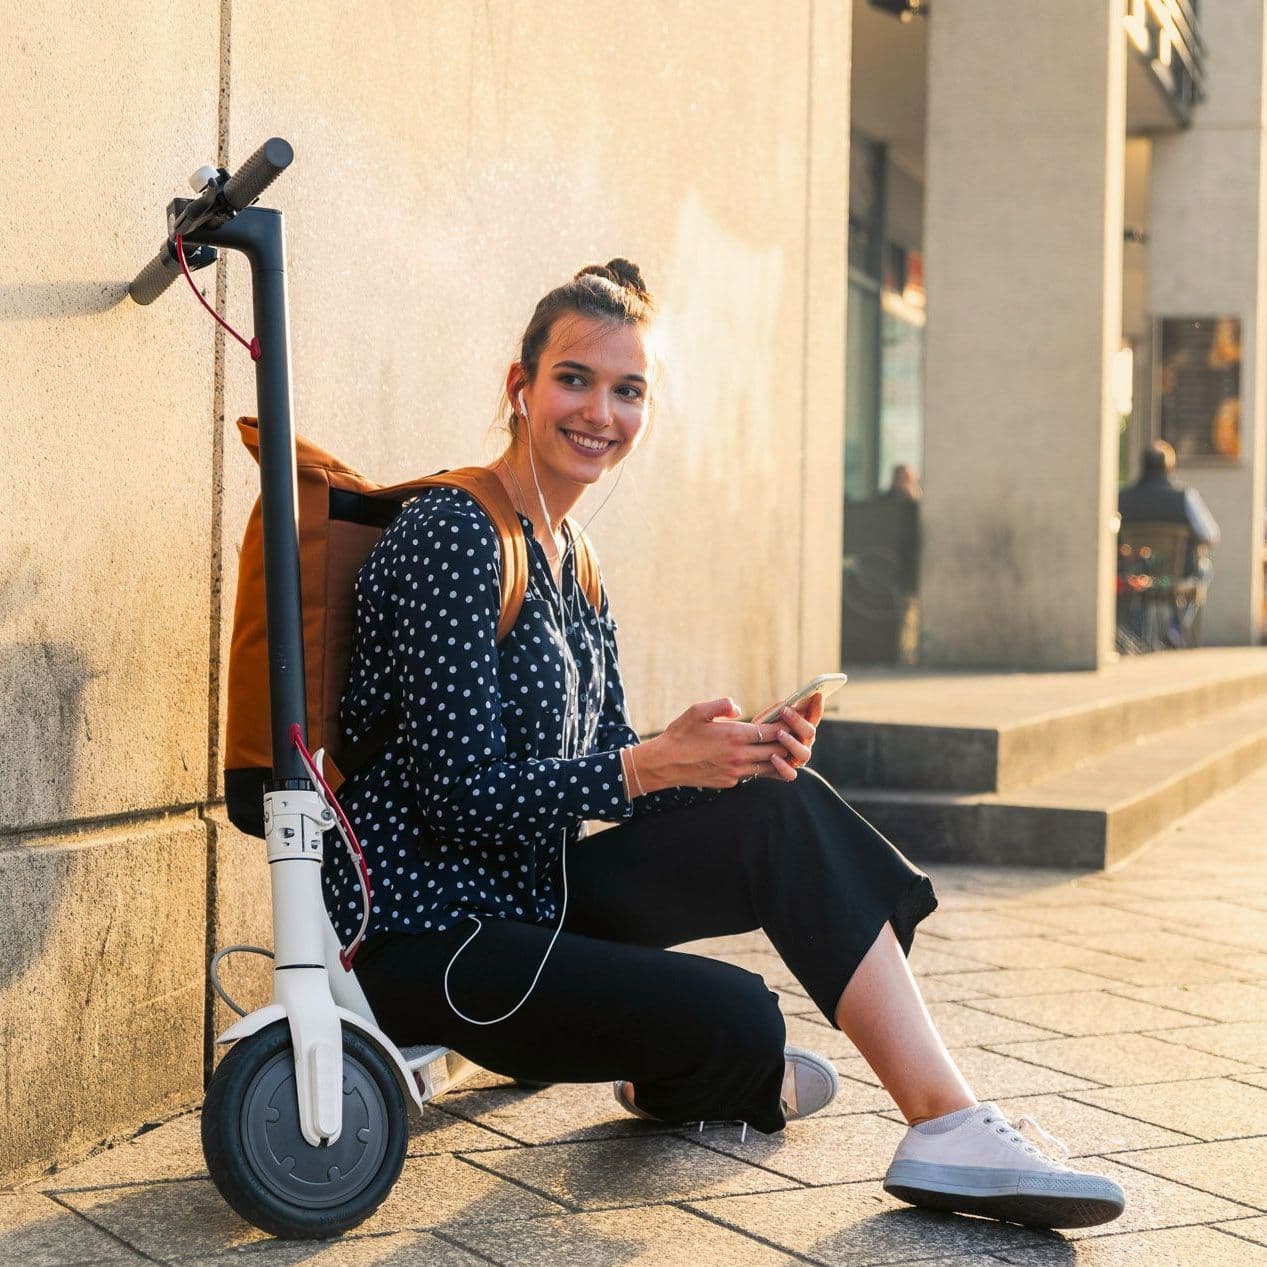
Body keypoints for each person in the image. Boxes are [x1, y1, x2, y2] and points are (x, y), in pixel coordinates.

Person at [322, 259, 1125, 1230]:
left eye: (629, 390)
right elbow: (458, 797)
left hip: (536, 902)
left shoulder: (574, 562)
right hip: (432, 938)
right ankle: (682, 1060)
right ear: (519, 387)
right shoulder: (451, 534)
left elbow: (603, 771)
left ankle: (947, 1123)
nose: (599, 413)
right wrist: (648, 762)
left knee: (777, 806)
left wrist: (719, 757)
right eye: (574, 379)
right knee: (741, 1021)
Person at [1119, 440, 1221, 572]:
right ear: (1170, 467)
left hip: (1134, 577)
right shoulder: (1185, 498)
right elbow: (1211, 536)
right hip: (1178, 577)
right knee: (1204, 568)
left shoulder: (1122, 498)